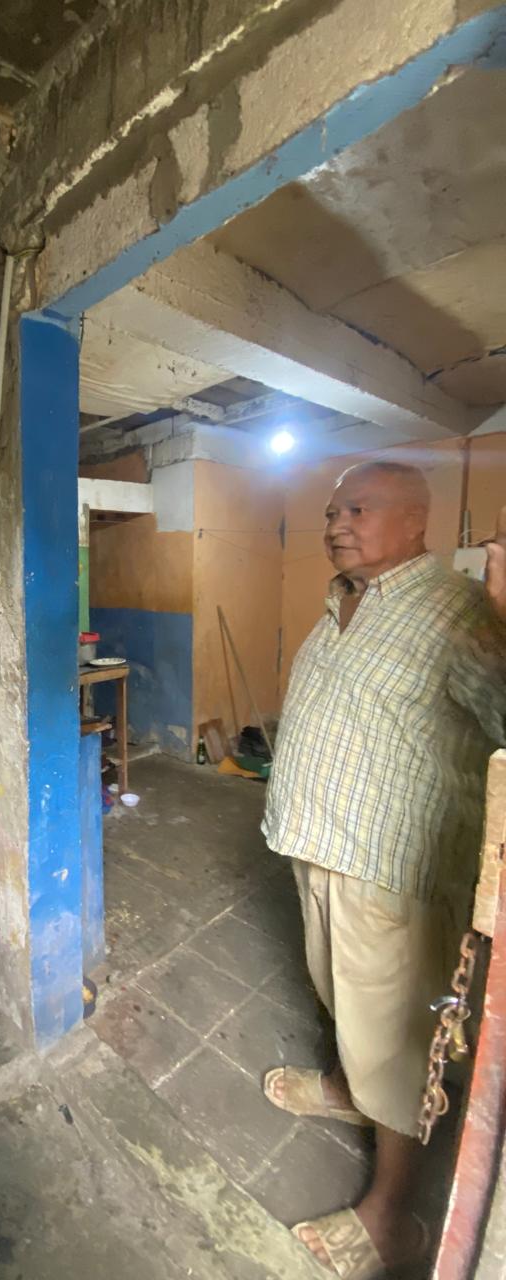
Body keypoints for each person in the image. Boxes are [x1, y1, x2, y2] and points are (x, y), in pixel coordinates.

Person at [261, 461, 500, 1279]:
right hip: (321, 848)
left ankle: (393, 1215)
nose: (336, 525)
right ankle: (344, 1087)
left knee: (399, 1038)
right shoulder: (342, 601)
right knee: (341, 996)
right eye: (332, 512)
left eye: (357, 510)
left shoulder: (459, 612)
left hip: (390, 868)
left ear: (413, 522)